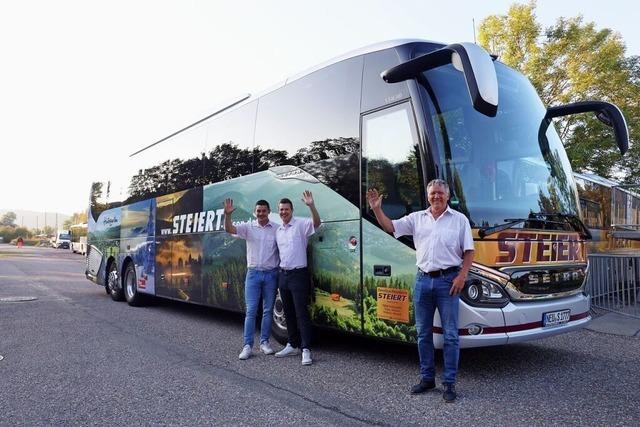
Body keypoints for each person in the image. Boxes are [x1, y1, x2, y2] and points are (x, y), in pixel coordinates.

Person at [366, 179, 474, 402]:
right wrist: (377, 209)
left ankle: (449, 383)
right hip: (423, 281)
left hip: (448, 282)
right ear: (427, 196)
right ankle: (427, 378)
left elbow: (469, 252)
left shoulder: (459, 220)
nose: (436, 197)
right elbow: (390, 227)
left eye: (440, 193)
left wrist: (462, 277)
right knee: (423, 334)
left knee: (451, 336)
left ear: (447, 195)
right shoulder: (417, 218)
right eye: (433, 193)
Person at [223, 198, 279, 360]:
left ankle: (264, 343)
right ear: (255, 212)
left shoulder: (276, 229)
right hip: (253, 274)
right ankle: (247, 346)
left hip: (271, 274)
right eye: (258, 211)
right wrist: (227, 215)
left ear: (269, 211)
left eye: (264, 211)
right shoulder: (248, 227)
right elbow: (229, 229)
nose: (261, 213)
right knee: (251, 311)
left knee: (268, 311)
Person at [273, 190, 321, 366]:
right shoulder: (278, 230)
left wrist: (311, 206)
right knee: (289, 313)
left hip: (298, 274)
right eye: (281, 210)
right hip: (283, 275)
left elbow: (317, 223)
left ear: (291, 210)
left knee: (302, 313)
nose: (284, 212)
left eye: (286, 209)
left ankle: (306, 349)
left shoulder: (301, 224)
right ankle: (292, 344)